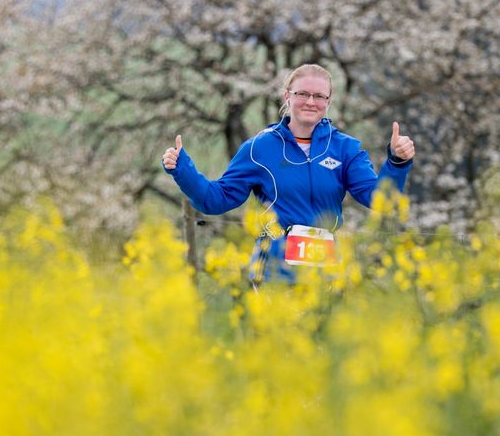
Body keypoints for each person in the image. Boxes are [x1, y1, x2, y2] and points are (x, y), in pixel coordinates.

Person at [162, 63, 414, 284]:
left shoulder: (346, 149)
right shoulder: (259, 148)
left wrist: (397, 162)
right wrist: (182, 169)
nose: (310, 102)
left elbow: (381, 200)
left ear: (328, 101)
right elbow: (214, 200)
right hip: (273, 273)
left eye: (319, 96)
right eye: (302, 94)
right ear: (287, 97)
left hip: (327, 276)